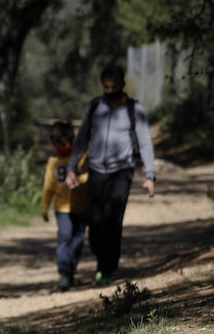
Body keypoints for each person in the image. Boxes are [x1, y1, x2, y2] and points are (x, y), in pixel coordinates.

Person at [67, 64, 156, 284]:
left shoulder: (134, 110)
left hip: (122, 171)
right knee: (95, 221)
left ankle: (107, 268)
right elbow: (82, 140)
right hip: (96, 169)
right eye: (106, 87)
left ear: (122, 85)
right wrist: (72, 166)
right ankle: (101, 257)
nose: (110, 90)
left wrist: (150, 175)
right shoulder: (94, 106)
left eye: (114, 86)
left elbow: (145, 143)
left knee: (113, 220)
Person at [41, 121, 89, 291]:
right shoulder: (53, 162)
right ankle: (64, 274)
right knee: (65, 238)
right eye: (57, 145)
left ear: (71, 140)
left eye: (63, 143)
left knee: (78, 239)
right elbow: (48, 186)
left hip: (81, 207)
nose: (60, 147)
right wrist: (45, 207)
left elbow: (89, 176)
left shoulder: (82, 158)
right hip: (62, 209)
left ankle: (71, 271)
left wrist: (80, 180)